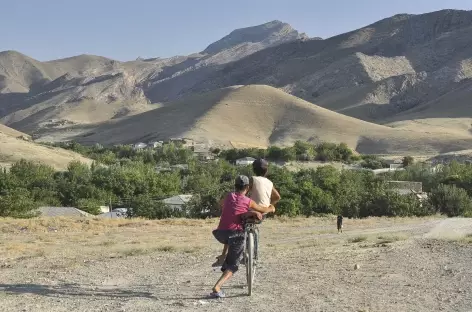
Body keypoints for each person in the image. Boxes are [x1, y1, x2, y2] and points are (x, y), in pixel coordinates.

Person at [210, 175, 275, 298]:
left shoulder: (228, 196)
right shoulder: (248, 201)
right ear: (247, 188)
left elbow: (221, 204)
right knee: (233, 265)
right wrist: (271, 208)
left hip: (220, 233)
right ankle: (217, 287)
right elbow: (263, 209)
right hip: (236, 234)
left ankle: (223, 256)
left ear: (235, 186)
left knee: (231, 234)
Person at [212, 158, 281, 267]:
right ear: (266, 171)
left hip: (251, 211)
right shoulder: (270, 182)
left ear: (253, 169)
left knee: (233, 225)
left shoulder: (252, 179)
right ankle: (253, 254)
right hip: (263, 213)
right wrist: (270, 205)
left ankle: (224, 255)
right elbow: (277, 197)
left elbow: (242, 194)